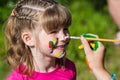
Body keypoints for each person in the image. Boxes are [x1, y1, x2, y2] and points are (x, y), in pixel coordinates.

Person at [4, 0, 112, 80]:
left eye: (65, 29)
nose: (64, 36)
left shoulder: (68, 68)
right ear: (28, 39)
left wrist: (98, 69)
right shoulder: (18, 78)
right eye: (54, 31)